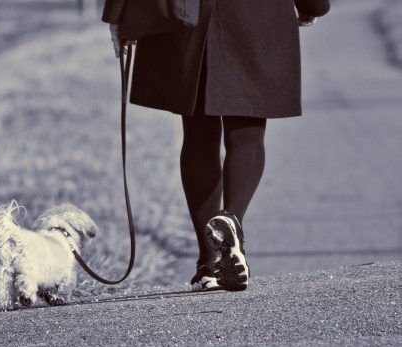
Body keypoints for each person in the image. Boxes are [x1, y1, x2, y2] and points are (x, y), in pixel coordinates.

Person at [102, 0, 330, 292]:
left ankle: (209, 264)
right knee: (246, 134)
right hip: (257, 15)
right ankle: (230, 218)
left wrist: (117, 14)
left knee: (197, 136)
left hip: (188, 16)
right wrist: (313, 5)